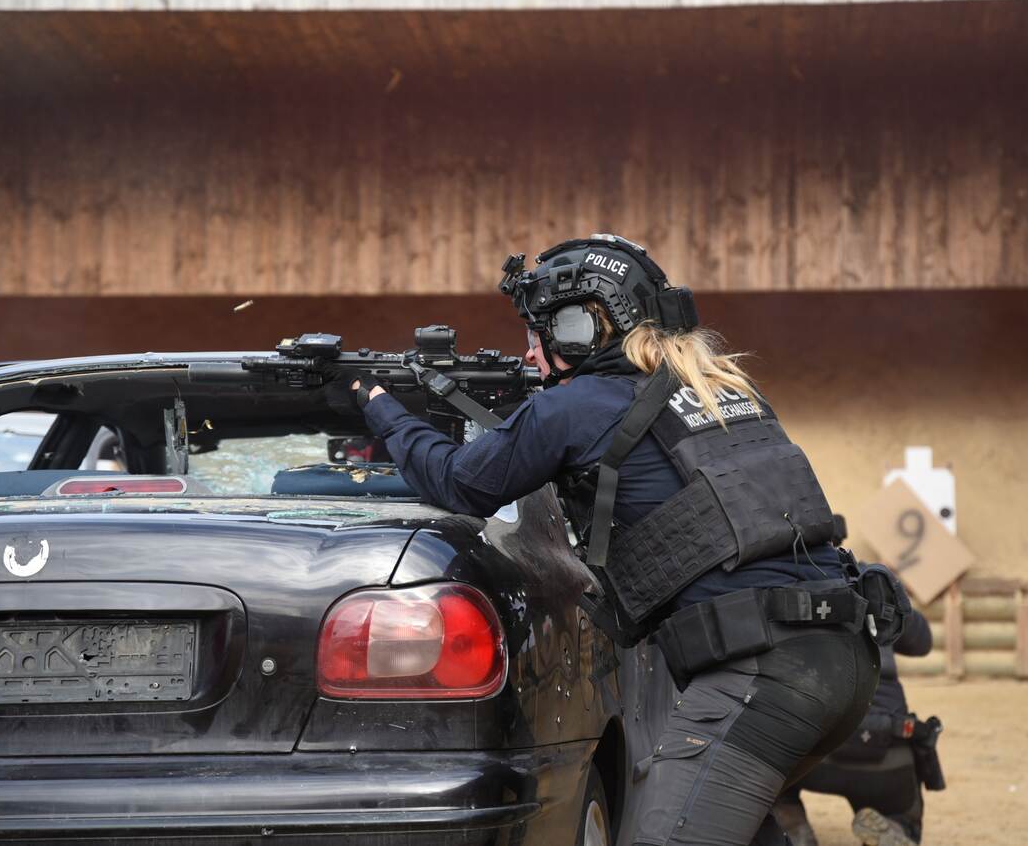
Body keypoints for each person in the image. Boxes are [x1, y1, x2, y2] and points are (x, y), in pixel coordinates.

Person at [344, 234, 891, 846]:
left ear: (582, 326)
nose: (529, 355)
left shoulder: (579, 406)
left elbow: (460, 483)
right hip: (845, 660)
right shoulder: (723, 391)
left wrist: (381, 406)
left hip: (763, 677)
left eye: (538, 333)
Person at [773, 607, 941, 846]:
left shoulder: (788, 583)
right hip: (885, 748)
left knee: (764, 776)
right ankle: (895, 825)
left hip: (813, 749)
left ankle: (791, 827)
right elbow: (922, 642)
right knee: (902, 815)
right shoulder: (876, 587)